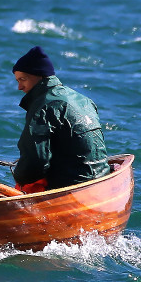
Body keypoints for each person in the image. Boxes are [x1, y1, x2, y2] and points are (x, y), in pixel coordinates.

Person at [9, 46, 110, 192]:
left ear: (41, 75)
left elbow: (35, 161)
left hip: (72, 185)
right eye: (17, 81)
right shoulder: (84, 100)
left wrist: (20, 177)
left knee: (26, 183)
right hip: (103, 176)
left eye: (23, 79)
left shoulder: (43, 106)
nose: (19, 87)